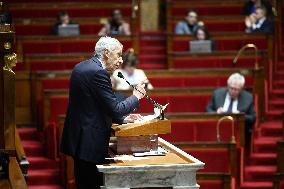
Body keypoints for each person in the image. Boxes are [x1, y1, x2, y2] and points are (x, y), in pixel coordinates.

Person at [60, 36, 146, 189]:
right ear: (107, 53)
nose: (120, 60)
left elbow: (95, 106)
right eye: (118, 55)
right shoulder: (98, 73)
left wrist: (123, 119)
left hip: (79, 139)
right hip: (89, 142)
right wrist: (136, 96)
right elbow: (115, 108)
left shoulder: (81, 67)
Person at [205, 73, 256, 146]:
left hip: (238, 132)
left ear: (241, 89)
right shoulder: (217, 94)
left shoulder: (248, 98)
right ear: (228, 86)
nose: (233, 91)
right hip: (218, 129)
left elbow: (252, 118)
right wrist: (216, 112)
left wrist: (240, 116)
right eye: (231, 88)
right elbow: (207, 110)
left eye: (236, 89)